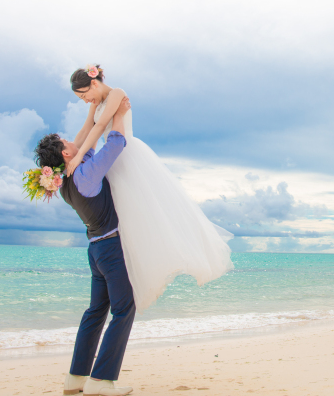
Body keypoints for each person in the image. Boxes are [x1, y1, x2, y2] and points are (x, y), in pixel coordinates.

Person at [66, 64, 233, 312]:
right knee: (124, 217)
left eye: (84, 95)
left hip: (126, 154)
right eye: (81, 99)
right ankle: (129, 272)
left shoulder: (116, 93)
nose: (85, 100)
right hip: (112, 157)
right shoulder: (96, 101)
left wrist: (79, 158)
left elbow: (101, 127)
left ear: (94, 83)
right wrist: (70, 159)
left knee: (142, 212)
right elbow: (86, 129)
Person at [34, 96, 135, 396]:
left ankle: (76, 378)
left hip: (95, 250)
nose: (72, 139)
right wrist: (121, 114)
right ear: (66, 152)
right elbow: (115, 144)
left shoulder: (65, 179)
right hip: (111, 248)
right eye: (67, 140)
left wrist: (96, 109)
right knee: (123, 309)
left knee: (95, 312)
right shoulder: (85, 174)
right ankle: (101, 381)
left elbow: (85, 135)